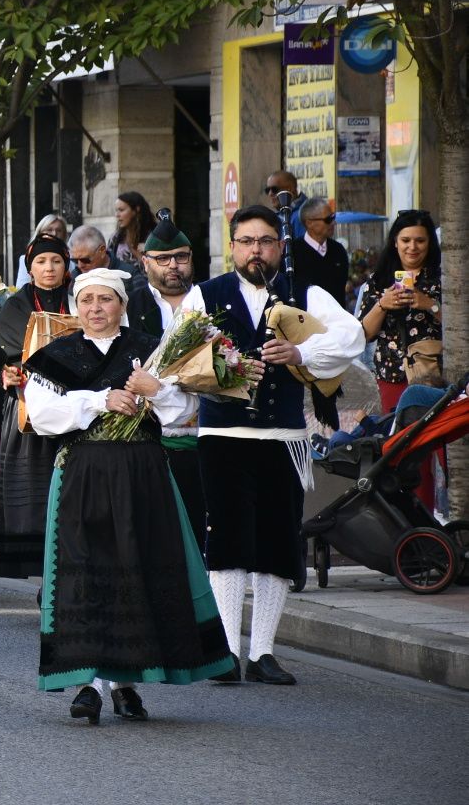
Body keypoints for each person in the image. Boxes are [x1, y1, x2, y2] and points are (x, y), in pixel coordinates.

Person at [23, 268, 235, 724]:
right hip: (83, 470)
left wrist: (152, 389)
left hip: (142, 472)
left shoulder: (150, 349)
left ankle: (125, 685)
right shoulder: (53, 355)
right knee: (84, 572)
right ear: (76, 307)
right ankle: (87, 684)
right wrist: (102, 401)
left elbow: (183, 410)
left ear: (121, 304)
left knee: (133, 569)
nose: (96, 308)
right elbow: (41, 416)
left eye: (105, 300)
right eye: (87, 301)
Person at [180, 204, 364, 686]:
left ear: (279, 247)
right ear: (232, 245)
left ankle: (262, 652)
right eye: (246, 241)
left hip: (284, 438)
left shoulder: (305, 292)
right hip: (223, 435)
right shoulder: (205, 294)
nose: (255, 250)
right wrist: (229, 371)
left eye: (265, 241)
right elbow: (178, 358)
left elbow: (351, 337)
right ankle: (224, 652)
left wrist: (302, 352)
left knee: (277, 541)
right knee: (227, 541)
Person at [0, 233, 71, 580]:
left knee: (69, 495)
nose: (49, 268)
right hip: (26, 414)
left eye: (56, 261)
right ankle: (45, 576)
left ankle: (65, 572)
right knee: (36, 499)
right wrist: (5, 376)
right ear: (30, 269)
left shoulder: (80, 300)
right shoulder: (15, 307)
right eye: (41, 262)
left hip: (74, 412)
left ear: (66, 266)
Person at [124, 214, 206, 540]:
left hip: (203, 432)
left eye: (181, 257)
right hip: (147, 433)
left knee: (199, 520)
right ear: (146, 263)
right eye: (162, 259)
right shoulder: (130, 303)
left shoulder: (207, 299)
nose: (173, 266)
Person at [358, 211, 446, 510]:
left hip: (435, 379)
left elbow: (458, 326)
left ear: (429, 244)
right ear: (395, 242)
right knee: (401, 451)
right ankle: (409, 519)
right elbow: (364, 334)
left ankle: (442, 514)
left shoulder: (444, 279)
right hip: (393, 378)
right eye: (406, 240)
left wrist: (429, 303)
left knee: (439, 450)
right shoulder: (379, 281)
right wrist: (383, 304)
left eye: (420, 240)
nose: (412, 247)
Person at [291, 198, 349, 306]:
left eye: (333, 217)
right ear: (309, 223)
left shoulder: (339, 250)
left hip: (337, 319)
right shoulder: (292, 253)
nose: (333, 223)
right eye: (328, 219)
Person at [14, 213, 68, 287]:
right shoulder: (26, 260)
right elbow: (21, 288)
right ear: (40, 232)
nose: (54, 233)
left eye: (58, 230)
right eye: (49, 230)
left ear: (64, 234)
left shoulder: (71, 263)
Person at [108, 191, 156, 272]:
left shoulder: (153, 237)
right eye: (116, 210)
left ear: (136, 210)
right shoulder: (116, 238)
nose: (117, 215)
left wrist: (138, 254)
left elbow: (158, 270)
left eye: (121, 210)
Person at [262, 170, 308, 238]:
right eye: (268, 190)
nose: (270, 194)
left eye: (274, 189)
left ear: (290, 189)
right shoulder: (280, 215)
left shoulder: (303, 215)